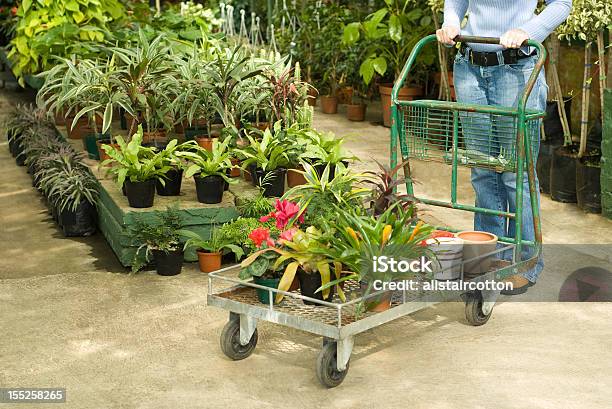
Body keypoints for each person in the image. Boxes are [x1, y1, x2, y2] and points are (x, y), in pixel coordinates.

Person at [437, 0, 572, 295]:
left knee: (516, 174)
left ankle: (525, 262)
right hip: (469, 69)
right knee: (483, 171)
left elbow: (562, 3)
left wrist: (527, 30)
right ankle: (490, 257)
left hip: (517, 69)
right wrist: (451, 22)